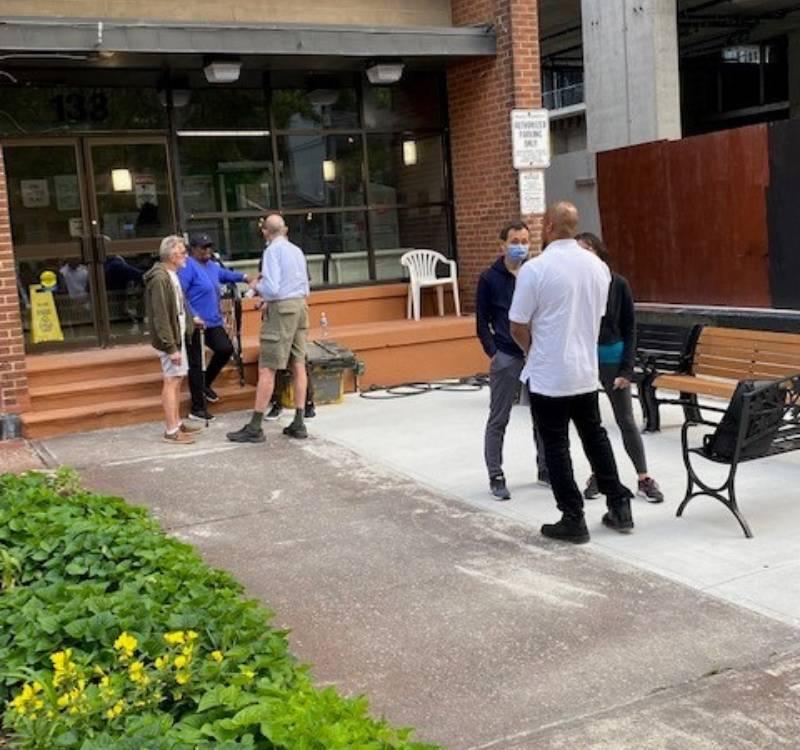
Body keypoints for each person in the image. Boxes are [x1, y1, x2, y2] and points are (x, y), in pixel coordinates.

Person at [509, 202, 634, 544]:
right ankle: (619, 503)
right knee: (595, 436)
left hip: (550, 373)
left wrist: (531, 349)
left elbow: (517, 324)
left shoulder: (536, 270)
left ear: (548, 225)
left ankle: (572, 517)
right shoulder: (598, 268)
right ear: (575, 226)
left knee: (556, 445)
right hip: (585, 370)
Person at [576, 232, 664, 504]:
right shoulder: (577, 286)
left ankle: (643, 477)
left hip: (614, 359)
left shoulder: (619, 284)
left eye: (586, 249)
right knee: (591, 424)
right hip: (586, 362)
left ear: (598, 251)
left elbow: (629, 327)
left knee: (625, 419)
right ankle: (599, 474)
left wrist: (628, 370)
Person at [476, 220, 547, 501]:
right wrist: (494, 351)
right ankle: (496, 474)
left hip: (535, 354)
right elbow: (482, 322)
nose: (520, 246)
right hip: (506, 354)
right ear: (502, 245)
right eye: (515, 241)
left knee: (542, 416)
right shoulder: (489, 278)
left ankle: (545, 468)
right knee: (499, 417)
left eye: (525, 241)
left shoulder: (535, 272)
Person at [227, 214, 310, 443]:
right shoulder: (296, 250)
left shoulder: (272, 251)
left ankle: (255, 426)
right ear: (284, 229)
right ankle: (299, 420)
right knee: (298, 363)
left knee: (268, 368)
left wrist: (256, 286)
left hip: (281, 310)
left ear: (265, 231)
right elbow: (303, 284)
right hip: (300, 306)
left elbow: (272, 288)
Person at [178, 232, 252, 422]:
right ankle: (197, 407)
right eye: (203, 248)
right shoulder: (188, 267)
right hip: (195, 323)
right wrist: (192, 315)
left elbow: (225, 274)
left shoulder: (212, 266)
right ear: (192, 249)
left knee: (225, 348)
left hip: (213, 321)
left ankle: (205, 383)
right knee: (196, 364)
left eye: (209, 247)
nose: (207, 251)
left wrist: (244, 277)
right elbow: (180, 295)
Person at [143, 235, 201, 445]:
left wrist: (192, 319)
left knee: (177, 379)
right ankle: (171, 429)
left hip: (177, 336)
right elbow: (161, 315)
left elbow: (178, 304)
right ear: (173, 255)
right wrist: (171, 347)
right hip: (171, 341)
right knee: (172, 380)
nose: (186, 256)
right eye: (183, 252)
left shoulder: (171, 274)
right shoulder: (160, 278)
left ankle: (175, 422)